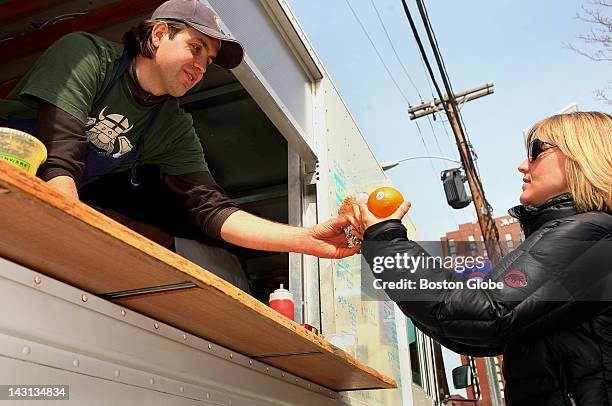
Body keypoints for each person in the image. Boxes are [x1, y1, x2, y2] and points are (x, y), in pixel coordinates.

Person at [0, 0, 360, 263]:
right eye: (196, 47)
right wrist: (73, 239)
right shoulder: (87, 55)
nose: (201, 66)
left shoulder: (171, 126)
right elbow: (61, 160)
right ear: (159, 34)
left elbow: (214, 210)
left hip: (40, 211)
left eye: (209, 60)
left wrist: (306, 239)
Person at [354, 112, 612, 405]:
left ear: (583, 155)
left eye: (536, 150)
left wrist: (385, 239)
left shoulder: (593, 234)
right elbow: (474, 332)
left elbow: (487, 314)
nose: (522, 165)